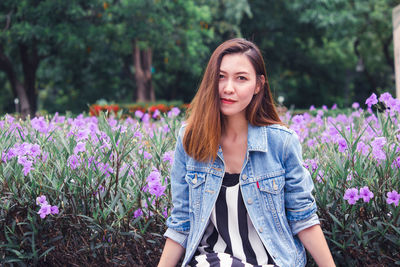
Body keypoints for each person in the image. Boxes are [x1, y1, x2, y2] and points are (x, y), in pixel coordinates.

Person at [158, 38, 335, 267]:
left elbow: (304, 219)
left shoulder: (281, 143)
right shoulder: (191, 139)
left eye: (241, 78)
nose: (228, 88)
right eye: (220, 77)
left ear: (258, 85)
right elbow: (181, 222)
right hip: (211, 261)